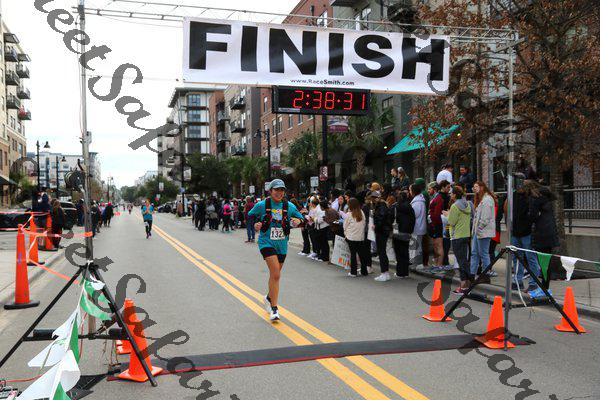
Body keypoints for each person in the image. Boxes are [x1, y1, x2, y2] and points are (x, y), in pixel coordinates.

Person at [248, 179, 303, 321]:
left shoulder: (289, 206)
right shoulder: (262, 205)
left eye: (281, 190)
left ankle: (268, 298)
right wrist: (256, 224)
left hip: (282, 244)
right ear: (270, 191)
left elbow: (302, 218)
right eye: (276, 190)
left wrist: (299, 221)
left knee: (275, 276)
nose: (279, 193)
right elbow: (249, 215)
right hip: (266, 242)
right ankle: (274, 309)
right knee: (276, 274)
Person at [525, 180, 559, 295]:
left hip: (541, 234)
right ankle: (545, 287)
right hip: (549, 233)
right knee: (546, 263)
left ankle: (544, 289)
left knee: (543, 263)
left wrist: (528, 215)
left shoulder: (536, 200)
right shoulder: (547, 200)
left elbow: (532, 217)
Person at [445, 186, 472, 293]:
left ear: (455, 195)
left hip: (457, 236)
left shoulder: (454, 206)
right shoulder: (468, 204)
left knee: (461, 261)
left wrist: (447, 215)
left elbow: (451, 222)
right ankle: (468, 283)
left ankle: (464, 285)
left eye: (452, 193)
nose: (450, 195)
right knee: (464, 260)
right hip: (466, 234)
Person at [470, 181, 497, 281]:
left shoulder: (487, 199)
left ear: (482, 187)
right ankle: (472, 274)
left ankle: (486, 275)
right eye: (474, 187)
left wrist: (479, 228)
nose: (475, 189)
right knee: (475, 253)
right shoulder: (483, 199)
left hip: (483, 232)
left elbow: (485, 218)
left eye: (476, 186)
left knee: (483, 253)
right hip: (479, 231)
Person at [392, 191, 415, 278]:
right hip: (407, 232)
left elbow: (395, 219)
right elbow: (413, 220)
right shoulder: (410, 207)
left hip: (398, 232)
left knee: (399, 253)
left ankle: (400, 272)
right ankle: (405, 272)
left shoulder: (397, 207)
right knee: (405, 252)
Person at [343, 198, 369, 277]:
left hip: (351, 237)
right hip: (360, 237)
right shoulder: (361, 212)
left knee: (353, 254)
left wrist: (346, 234)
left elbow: (345, 226)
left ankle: (353, 272)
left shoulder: (348, 214)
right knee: (361, 255)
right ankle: (364, 271)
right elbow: (364, 224)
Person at [372, 191, 393, 281]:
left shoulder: (381, 206)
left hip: (382, 231)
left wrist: (376, 226)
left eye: (374, 198)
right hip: (383, 231)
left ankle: (384, 273)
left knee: (381, 252)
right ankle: (385, 273)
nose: (373, 200)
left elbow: (381, 218)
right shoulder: (381, 205)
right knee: (382, 252)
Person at [427, 182, 444, 273]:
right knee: (435, 245)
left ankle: (439, 265)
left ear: (435, 189)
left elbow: (437, 214)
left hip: (436, 224)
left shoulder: (438, 198)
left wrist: (430, 216)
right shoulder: (434, 197)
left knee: (439, 245)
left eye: (430, 189)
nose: (428, 191)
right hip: (433, 224)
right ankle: (436, 264)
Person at [410, 184, 427, 269]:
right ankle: (418, 263)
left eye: (410, 190)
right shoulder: (420, 200)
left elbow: (414, 214)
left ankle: (417, 264)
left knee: (416, 247)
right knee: (418, 246)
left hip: (417, 227)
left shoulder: (417, 202)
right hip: (420, 226)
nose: (409, 192)